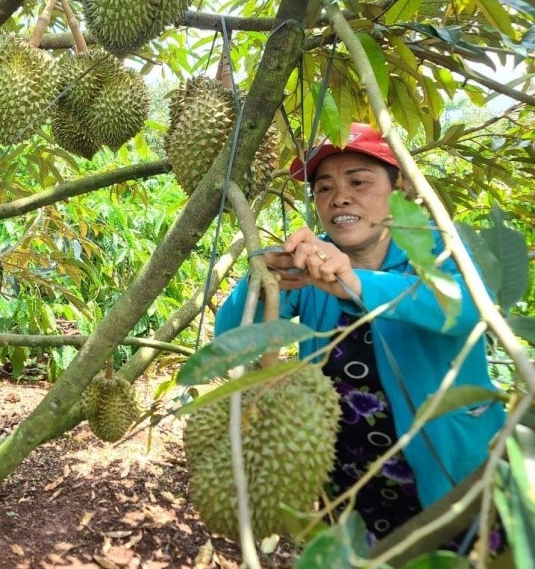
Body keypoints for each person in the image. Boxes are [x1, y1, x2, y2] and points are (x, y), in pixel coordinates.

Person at [214, 122, 506, 543]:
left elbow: (466, 308)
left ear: (400, 189)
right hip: (350, 496)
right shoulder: (312, 263)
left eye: (359, 181)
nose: (340, 197)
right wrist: (261, 284)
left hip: (452, 490)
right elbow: (230, 343)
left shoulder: (438, 248)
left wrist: (356, 282)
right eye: (324, 188)